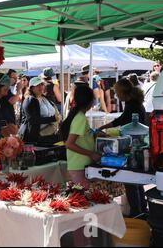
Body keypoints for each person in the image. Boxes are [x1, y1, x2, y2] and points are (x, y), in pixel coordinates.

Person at [98, 78, 147, 217]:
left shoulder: (132, 105)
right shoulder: (133, 102)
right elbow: (122, 120)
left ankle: (136, 212)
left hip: (134, 146)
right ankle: (142, 209)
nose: (115, 95)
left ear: (122, 92)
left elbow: (122, 122)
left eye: (117, 92)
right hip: (138, 144)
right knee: (137, 180)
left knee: (131, 180)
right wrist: (105, 127)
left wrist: (103, 128)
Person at [61, 86, 101, 188]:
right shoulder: (80, 118)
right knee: (84, 198)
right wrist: (91, 154)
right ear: (90, 101)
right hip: (80, 165)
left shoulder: (78, 116)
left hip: (81, 164)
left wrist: (94, 134)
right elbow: (69, 144)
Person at [18, 76, 61, 145]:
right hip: (34, 138)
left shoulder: (45, 98)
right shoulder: (30, 100)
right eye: (37, 85)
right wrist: (53, 119)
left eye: (42, 84)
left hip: (47, 135)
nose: (40, 87)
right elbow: (33, 120)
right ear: (31, 88)